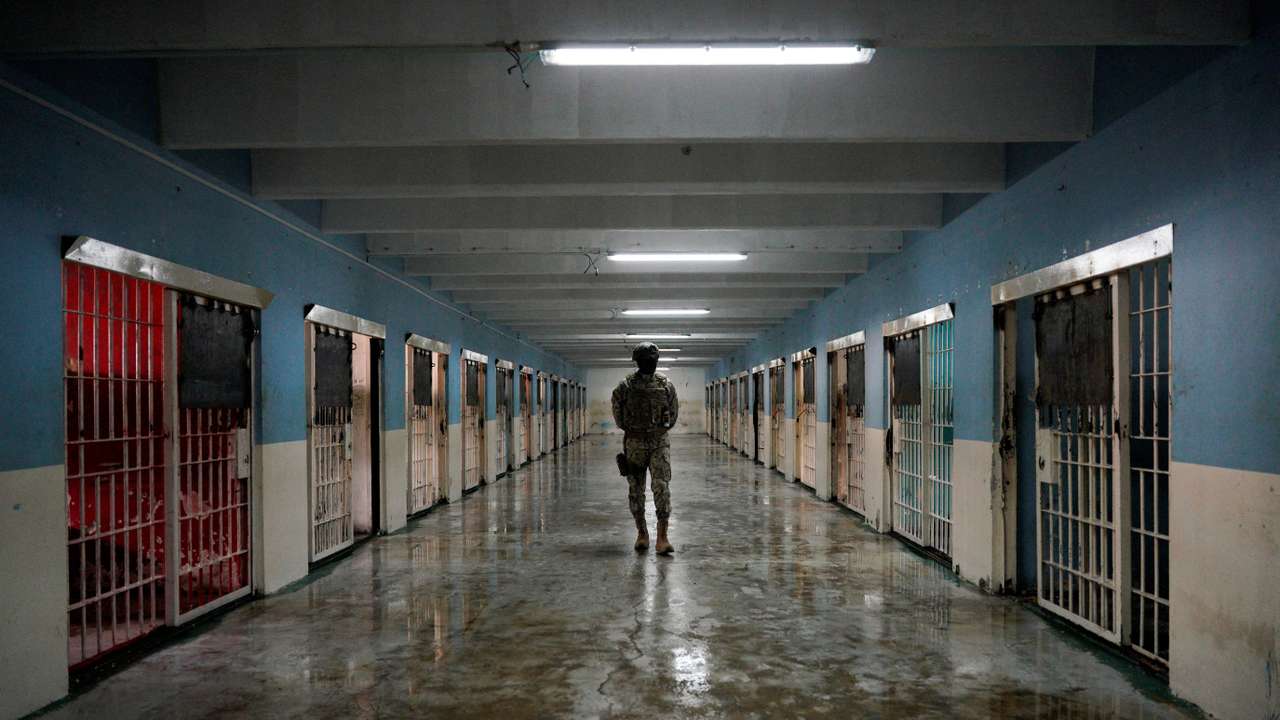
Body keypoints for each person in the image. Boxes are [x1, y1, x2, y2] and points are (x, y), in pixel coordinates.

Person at [611, 342, 678, 554]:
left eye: (651, 361)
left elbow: (673, 414)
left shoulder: (666, 384)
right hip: (634, 444)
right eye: (644, 361)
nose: (648, 364)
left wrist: (656, 431)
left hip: (659, 443)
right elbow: (618, 413)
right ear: (638, 362)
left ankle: (662, 537)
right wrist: (634, 430)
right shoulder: (626, 386)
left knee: (661, 487)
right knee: (636, 490)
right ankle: (642, 533)